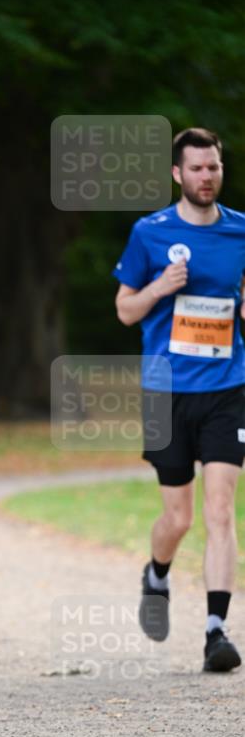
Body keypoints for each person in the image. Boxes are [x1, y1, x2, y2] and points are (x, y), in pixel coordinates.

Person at [114, 127, 244, 673]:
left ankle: (216, 631)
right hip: (166, 390)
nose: (206, 177)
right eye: (195, 169)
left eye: (212, 167)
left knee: (220, 510)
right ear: (177, 174)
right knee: (179, 516)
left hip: (227, 390)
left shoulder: (241, 231)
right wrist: (160, 287)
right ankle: (157, 574)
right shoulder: (150, 232)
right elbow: (125, 310)